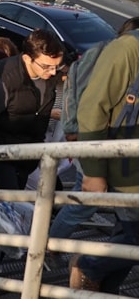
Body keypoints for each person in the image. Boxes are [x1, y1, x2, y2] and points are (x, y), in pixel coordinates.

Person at [69, 26, 139, 293]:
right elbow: (92, 109)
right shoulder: (127, 49)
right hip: (128, 172)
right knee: (133, 238)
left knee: (128, 237)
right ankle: (89, 266)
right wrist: (93, 170)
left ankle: (101, 286)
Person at [0, 29, 64, 190]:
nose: (53, 72)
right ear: (27, 58)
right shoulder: (1, 81)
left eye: (57, 66)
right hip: (1, 159)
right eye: (47, 66)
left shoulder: (49, 77)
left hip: (27, 160)